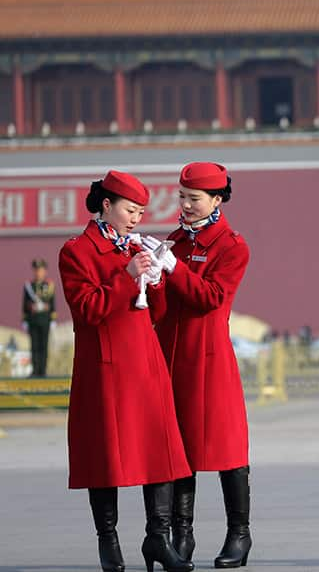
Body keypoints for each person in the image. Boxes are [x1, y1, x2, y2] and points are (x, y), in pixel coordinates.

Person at [58, 170, 193, 572]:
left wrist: (155, 281)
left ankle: (157, 537)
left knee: (161, 451)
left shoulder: (133, 247)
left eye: (140, 212)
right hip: (105, 366)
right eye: (130, 210)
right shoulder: (77, 251)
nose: (136, 219)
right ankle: (109, 540)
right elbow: (86, 310)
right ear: (106, 205)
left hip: (144, 362)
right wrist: (128, 276)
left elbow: (158, 313)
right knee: (106, 457)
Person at [152, 162, 253, 569]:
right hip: (171, 358)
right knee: (179, 450)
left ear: (216, 199)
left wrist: (174, 270)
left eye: (194, 198)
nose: (186, 205)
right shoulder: (174, 241)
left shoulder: (232, 246)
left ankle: (239, 534)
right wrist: (152, 274)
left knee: (227, 449)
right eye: (181, 197)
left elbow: (211, 297)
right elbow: (163, 305)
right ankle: (183, 534)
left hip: (208, 359)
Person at [22, 257, 57, 377]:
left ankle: (42, 370)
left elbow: (52, 303)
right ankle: (35, 370)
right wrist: (25, 319)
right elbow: (25, 303)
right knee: (34, 346)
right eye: (37, 270)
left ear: (44, 271)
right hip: (33, 320)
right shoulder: (29, 286)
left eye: (41, 270)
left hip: (45, 320)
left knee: (44, 345)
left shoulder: (50, 285)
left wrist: (53, 319)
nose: (39, 273)